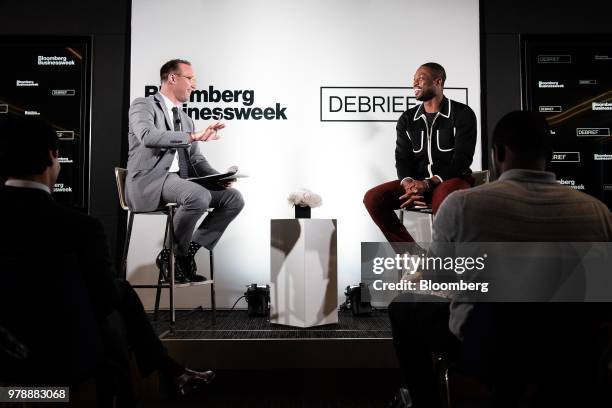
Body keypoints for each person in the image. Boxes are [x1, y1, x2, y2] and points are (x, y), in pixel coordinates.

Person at [387, 111, 612, 407]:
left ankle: (424, 402)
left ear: (498, 153)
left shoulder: (461, 205)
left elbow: (437, 277)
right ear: (550, 154)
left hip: (488, 345)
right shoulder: (598, 212)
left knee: (403, 307)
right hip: (569, 349)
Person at [0, 115, 215, 401]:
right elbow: (103, 300)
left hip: (7, 365)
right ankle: (166, 371)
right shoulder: (81, 227)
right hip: (60, 373)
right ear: (53, 156)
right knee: (114, 311)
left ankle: (171, 370)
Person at [126, 58, 244, 282]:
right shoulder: (143, 105)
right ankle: (172, 254)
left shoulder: (186, 120)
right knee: (197, 195)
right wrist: (192, 136)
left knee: (233, 198)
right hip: (150, 181)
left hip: (179, 182)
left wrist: (218, 178)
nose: (194, 85)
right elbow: (148, 136)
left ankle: (186, 251)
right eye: (190, 79)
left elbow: (196, 159)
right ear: (172, 78)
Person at [364, 62, 477, 244]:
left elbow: (462, 160)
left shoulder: (463, 114)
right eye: (413, 80)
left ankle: (442, 261)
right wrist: (409, 184)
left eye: (421, 78)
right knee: (373, 198)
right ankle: (412, 256)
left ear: (438, 81)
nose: (415, 83)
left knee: (444, 199)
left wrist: (429, 183)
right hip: (418, 184)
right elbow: (402, 158)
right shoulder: (407, 119)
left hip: (452, 181)